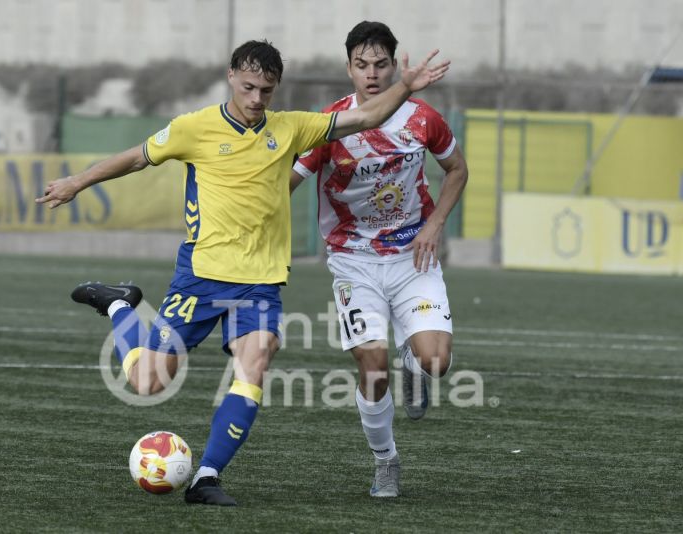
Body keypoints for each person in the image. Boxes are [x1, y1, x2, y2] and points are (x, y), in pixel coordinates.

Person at [35, 39, 450, 506]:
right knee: (148, 382)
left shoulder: (290, 128)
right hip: (200, 277)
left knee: (254, 365)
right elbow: (135, 157)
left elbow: (366, 117)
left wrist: (406, 86)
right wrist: (76, 182)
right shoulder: (194, 128)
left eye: (266, 91)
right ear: (231, 75)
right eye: (248, 87)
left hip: (260, 282)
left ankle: (206, 476)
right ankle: (119, 306)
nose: (256, 99)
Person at [290, 21, 468, 498]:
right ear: (348, 68)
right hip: (354, 260)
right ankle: (386, 460)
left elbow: (457, 169)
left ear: (394, 65)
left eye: (381, 64)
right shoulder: (330, 124)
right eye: (362, 65)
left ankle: (415, 365)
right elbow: (287, 182)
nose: (371, 74)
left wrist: (434, 225)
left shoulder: (423, 119)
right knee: (372, 364)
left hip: (412, 256)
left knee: (436, 361)